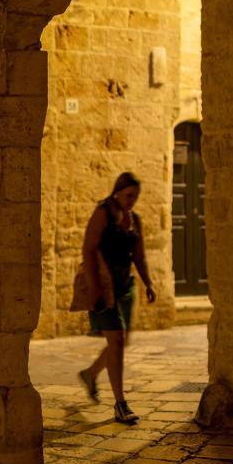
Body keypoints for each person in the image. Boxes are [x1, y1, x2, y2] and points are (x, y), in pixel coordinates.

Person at [78, 172, 157, 423]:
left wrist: (148, 283)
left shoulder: (135, 220)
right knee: (117, 340)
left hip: (125, 286)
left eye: (136, 196)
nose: (132, 200)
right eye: (129, 195)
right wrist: (94, 288)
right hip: (104, 285)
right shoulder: (103, 212)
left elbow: (139, 256)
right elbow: (88, 250)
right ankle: (121, 404)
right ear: (118, 192)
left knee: (119, 342)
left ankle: (90, 374)